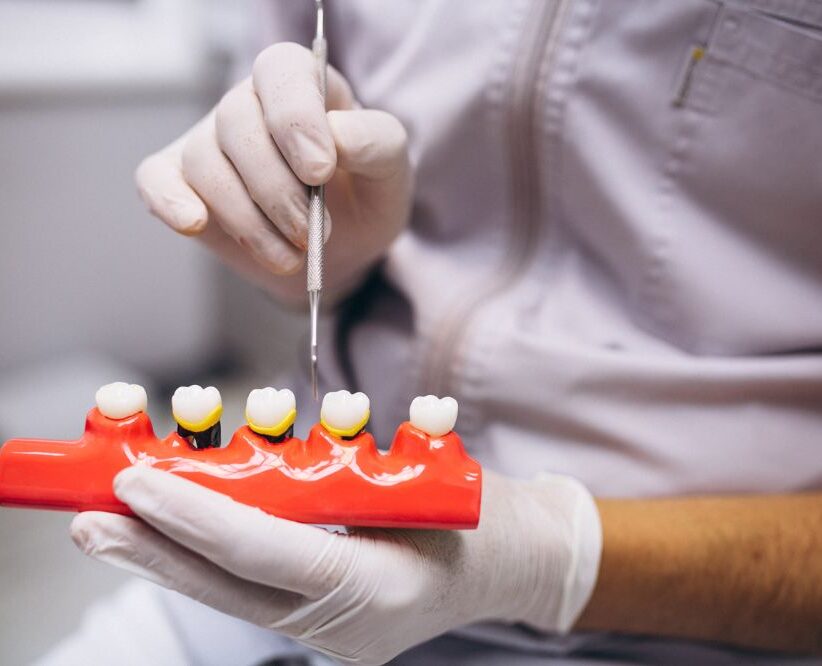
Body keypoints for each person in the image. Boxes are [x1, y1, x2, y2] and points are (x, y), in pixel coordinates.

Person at [46, 1, 822, 664]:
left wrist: (553, 558)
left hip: (696, 627)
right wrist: (299, 250)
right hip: (261, 563)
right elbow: (279, 101)